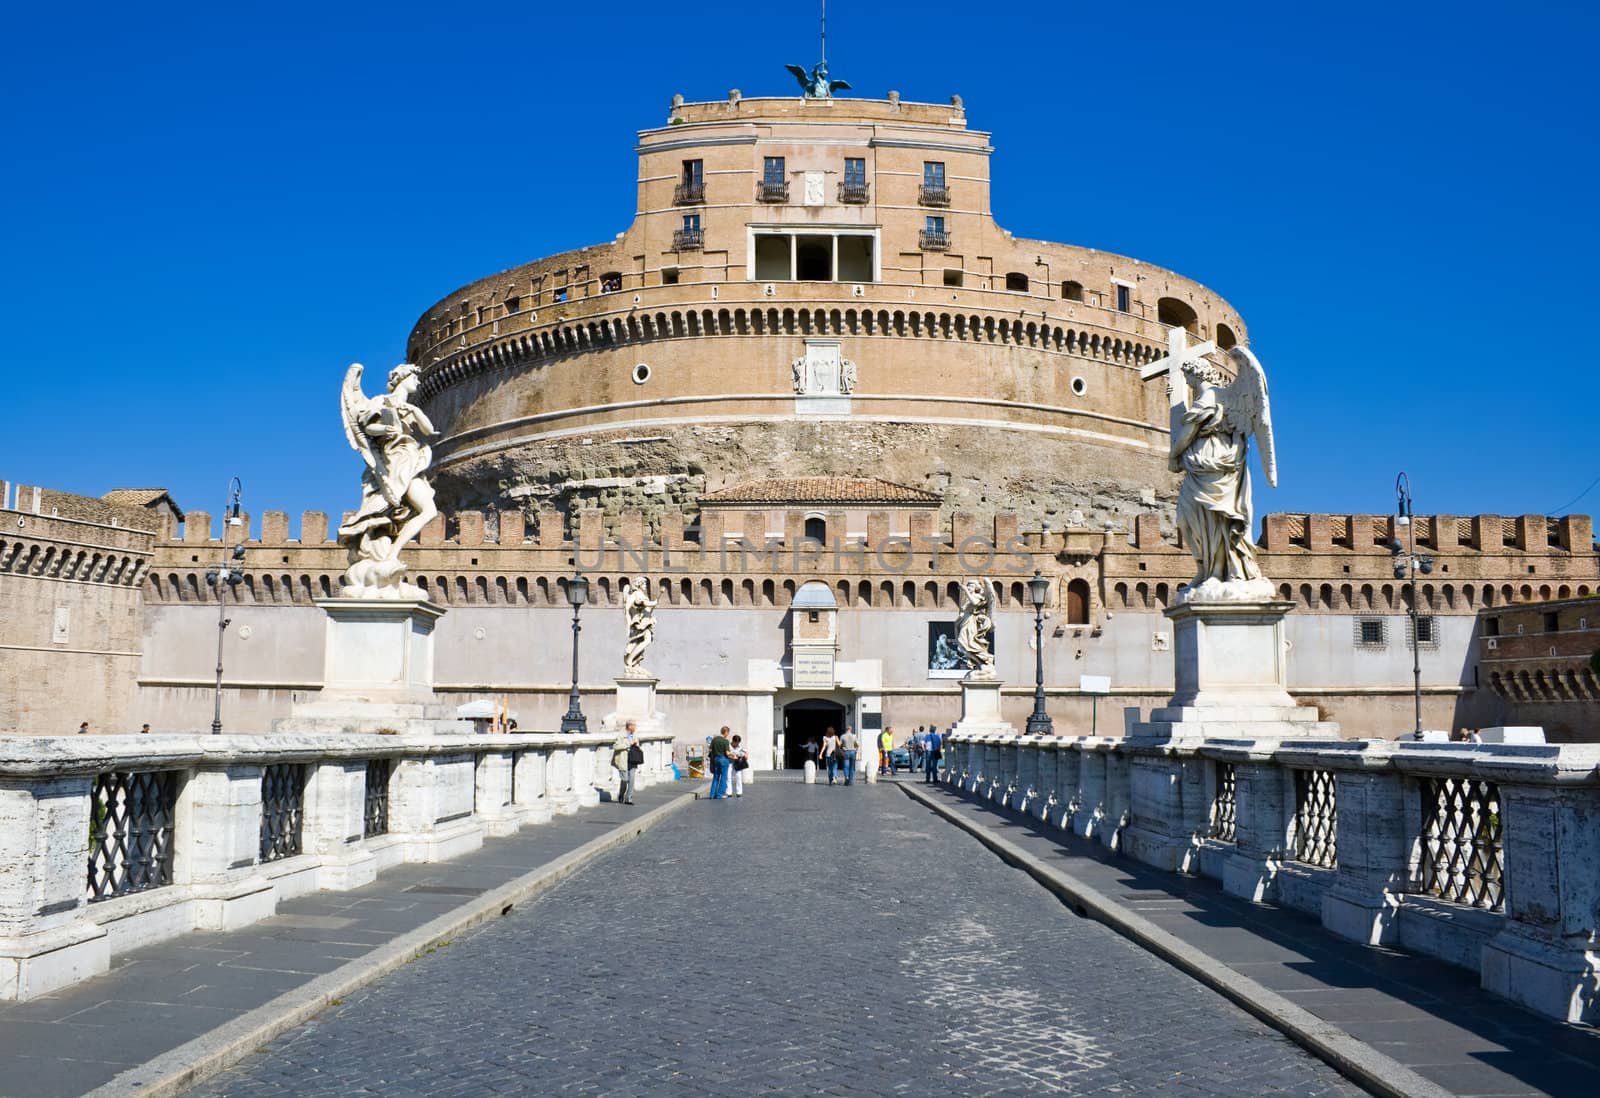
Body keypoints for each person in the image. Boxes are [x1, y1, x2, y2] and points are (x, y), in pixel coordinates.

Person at [611, 721, 639, 805]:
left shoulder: (635, 736)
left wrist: (636, 745)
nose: (635, 727)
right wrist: (627, 745)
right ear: (629, 726)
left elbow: (637, 746)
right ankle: (621, 795)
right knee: (625, 779)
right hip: (623, 760)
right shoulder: (621, 735)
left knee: (632, 780)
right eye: (634, 725)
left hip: (633, 760)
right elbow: (615, 746)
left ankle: (628, 799)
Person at [708, 725, 732, 799]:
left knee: (715, 777)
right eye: (728, 733)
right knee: (723, 777)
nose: (728, 735)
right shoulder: (725, 741)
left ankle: (712, 795)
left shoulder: (714, 739)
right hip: (724, 760)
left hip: (716, 759)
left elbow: (710, 750)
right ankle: (720, 794)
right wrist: (733, 754)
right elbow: (727, 753)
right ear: (726, 732)